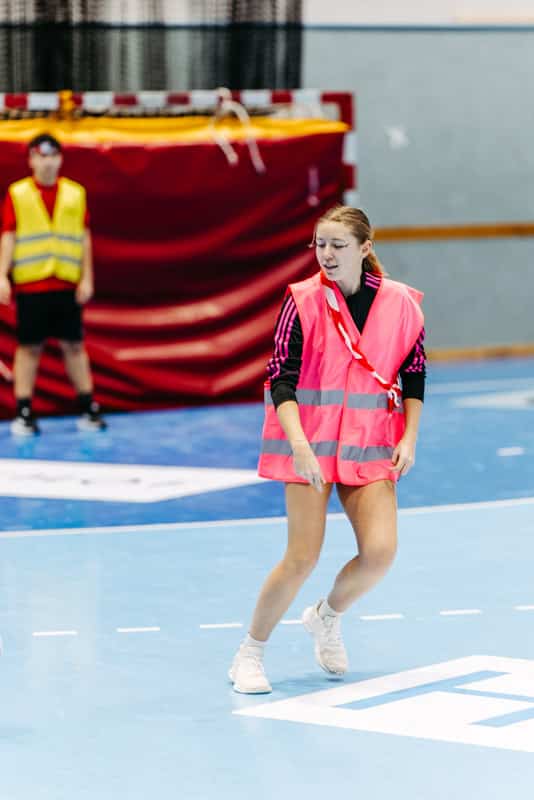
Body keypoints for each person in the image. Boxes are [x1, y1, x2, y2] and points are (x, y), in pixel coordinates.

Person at [229, 205, 425, 694]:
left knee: (380, 553)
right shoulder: (301, 299)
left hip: (369, 442)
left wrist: (409, 437)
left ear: (365, 247)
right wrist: (298, 445)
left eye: (338, 245)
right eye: (320, 244)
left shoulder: (401, 303)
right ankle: (249, 653)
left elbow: (414, 372)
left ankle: (327, 615)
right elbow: (281, 378)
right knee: (301, 557)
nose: (327, 254)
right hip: (310, 443)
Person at [0, 132, 107, 435]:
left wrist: (87, 277)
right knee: (29, 347)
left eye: (52, 156)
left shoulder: (75, 194)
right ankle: (23, 410)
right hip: (32, 285)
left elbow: (85, 238)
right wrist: (2, 274)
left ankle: (87, 407)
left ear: (60, 159)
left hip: (66, 283)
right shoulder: (18, 194)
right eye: (41, 156)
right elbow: (8, 236)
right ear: (31, 160)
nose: (47, 162)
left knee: (74, 345)